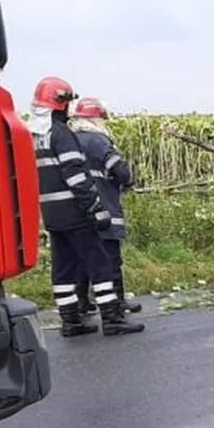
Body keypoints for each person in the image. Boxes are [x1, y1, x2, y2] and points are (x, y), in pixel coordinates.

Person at [28, 76, 142, 337]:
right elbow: (76, 176)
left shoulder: (36, 137)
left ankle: (70, 321)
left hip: (52, 215)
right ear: (59, 103)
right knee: (100, 264)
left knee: (64, 268)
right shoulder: (62, 135)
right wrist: (95, 207)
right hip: (74, 212)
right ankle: (112, 318)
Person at [68, 96, 144, 320]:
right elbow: (119, 170)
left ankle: (81, 302)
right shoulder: (98, 140)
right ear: (96, 119)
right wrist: (127, 179)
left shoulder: (70, 140)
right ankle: (116, 302)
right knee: (111, 258)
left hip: (79, 210)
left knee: (83, 257)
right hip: (105, 206)